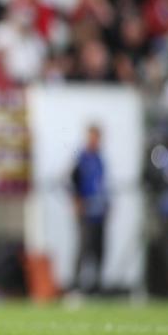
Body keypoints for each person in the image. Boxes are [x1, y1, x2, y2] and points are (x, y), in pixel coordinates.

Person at [70, 124, 109, 294]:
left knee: (99, 249)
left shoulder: (100, 159)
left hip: (99, 210)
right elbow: (73, 180)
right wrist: (77, 202)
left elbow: (102, 185)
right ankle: (76, 285)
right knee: (83, 247)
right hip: (86, 210)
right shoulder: (81, 158)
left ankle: (96, 286)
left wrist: (107, 204)